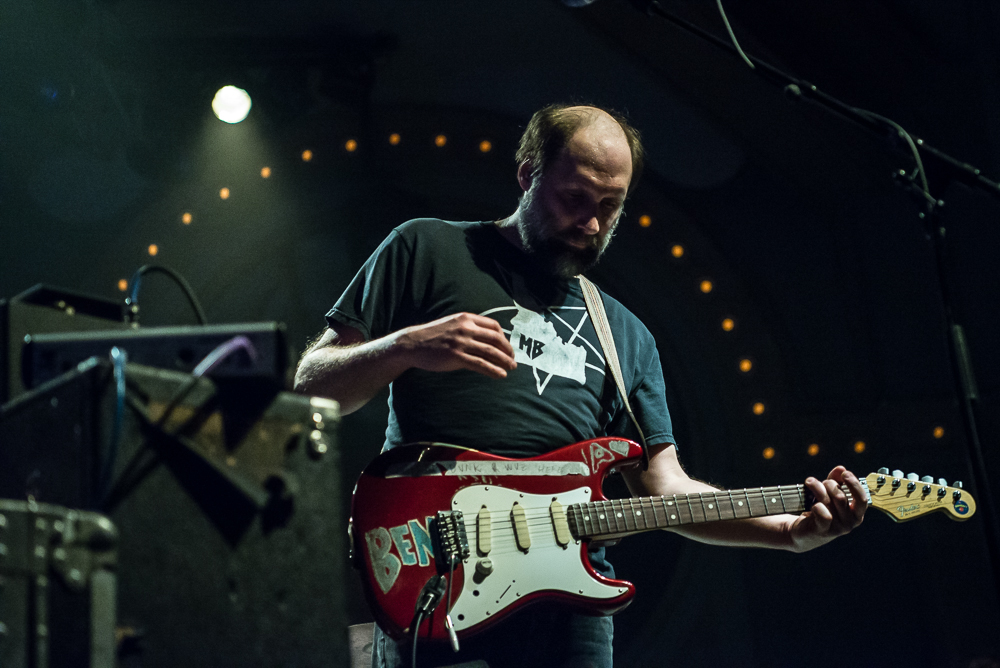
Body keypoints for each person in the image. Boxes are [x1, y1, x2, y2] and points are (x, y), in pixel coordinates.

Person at [294, 104, 868, 668]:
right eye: (574, 198)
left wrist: (789, 533)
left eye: (610, 207)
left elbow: (663, 488)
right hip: (437, 575)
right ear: (527, 174)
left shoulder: (626, 337)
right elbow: (312, 386)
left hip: (568, 614)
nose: (591, 224)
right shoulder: (426, 249)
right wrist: (406, 346)